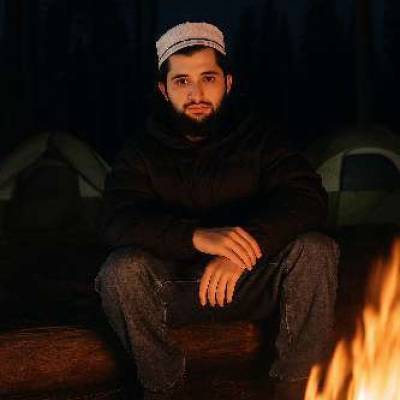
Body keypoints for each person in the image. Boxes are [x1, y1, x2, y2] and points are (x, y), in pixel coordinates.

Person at [95, 22, 339, 400]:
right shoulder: (141, 151)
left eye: (208, 78)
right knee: (120, 272)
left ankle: (296, 386)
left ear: (227, 82)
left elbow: (308, 198)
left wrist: (245, 248)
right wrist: (195, 237)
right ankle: (163, 388)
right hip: (175, 288)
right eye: (182, 81)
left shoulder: (261, 138)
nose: (197, 94)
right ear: (164, 90)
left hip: (251, 281)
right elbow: (116, 219)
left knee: (316, 250)